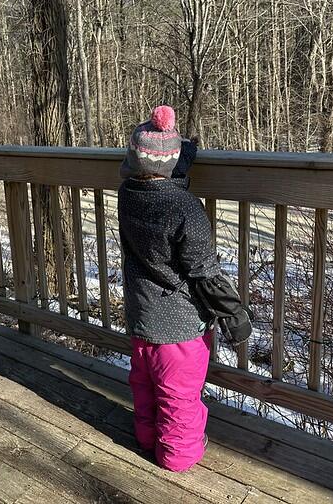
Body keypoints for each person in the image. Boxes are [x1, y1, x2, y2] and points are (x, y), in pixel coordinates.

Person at [118, 105, 220, 473]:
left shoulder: (128, 193)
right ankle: (178, 457)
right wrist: (233, 311)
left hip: (142, 316)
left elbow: (151, 171)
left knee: (145, 386)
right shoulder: (185, 209)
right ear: (171, 161)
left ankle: (146, 438)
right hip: (178, 327)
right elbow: (203, 269)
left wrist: (180, 151)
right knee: (179, 398)